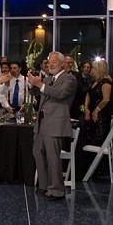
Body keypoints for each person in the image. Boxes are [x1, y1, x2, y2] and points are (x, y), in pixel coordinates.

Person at [27, 51, 78, 199]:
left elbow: (60, 93)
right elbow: (36, 91)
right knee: (38, 152)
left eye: (54, 62)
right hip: (42, 122)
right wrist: (32, 83)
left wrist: (40, 84)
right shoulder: (48, 79)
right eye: (49, 62)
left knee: (52, 157)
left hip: (55, 122)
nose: (50, 64)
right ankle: (44, 186)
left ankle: (57, 190)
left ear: (62, 63)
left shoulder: (69, 78)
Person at [82, 60, 113, 180]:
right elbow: (88, 95)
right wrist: (86, 108)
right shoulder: (95, 82)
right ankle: (89, 166)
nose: (91, 71)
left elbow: (106, 99)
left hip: (101, 115)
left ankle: (99, 168)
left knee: (98, 139)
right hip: (91, 113)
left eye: (93, 68)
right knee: (89, 137)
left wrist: (96, 110)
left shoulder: (106, 82)